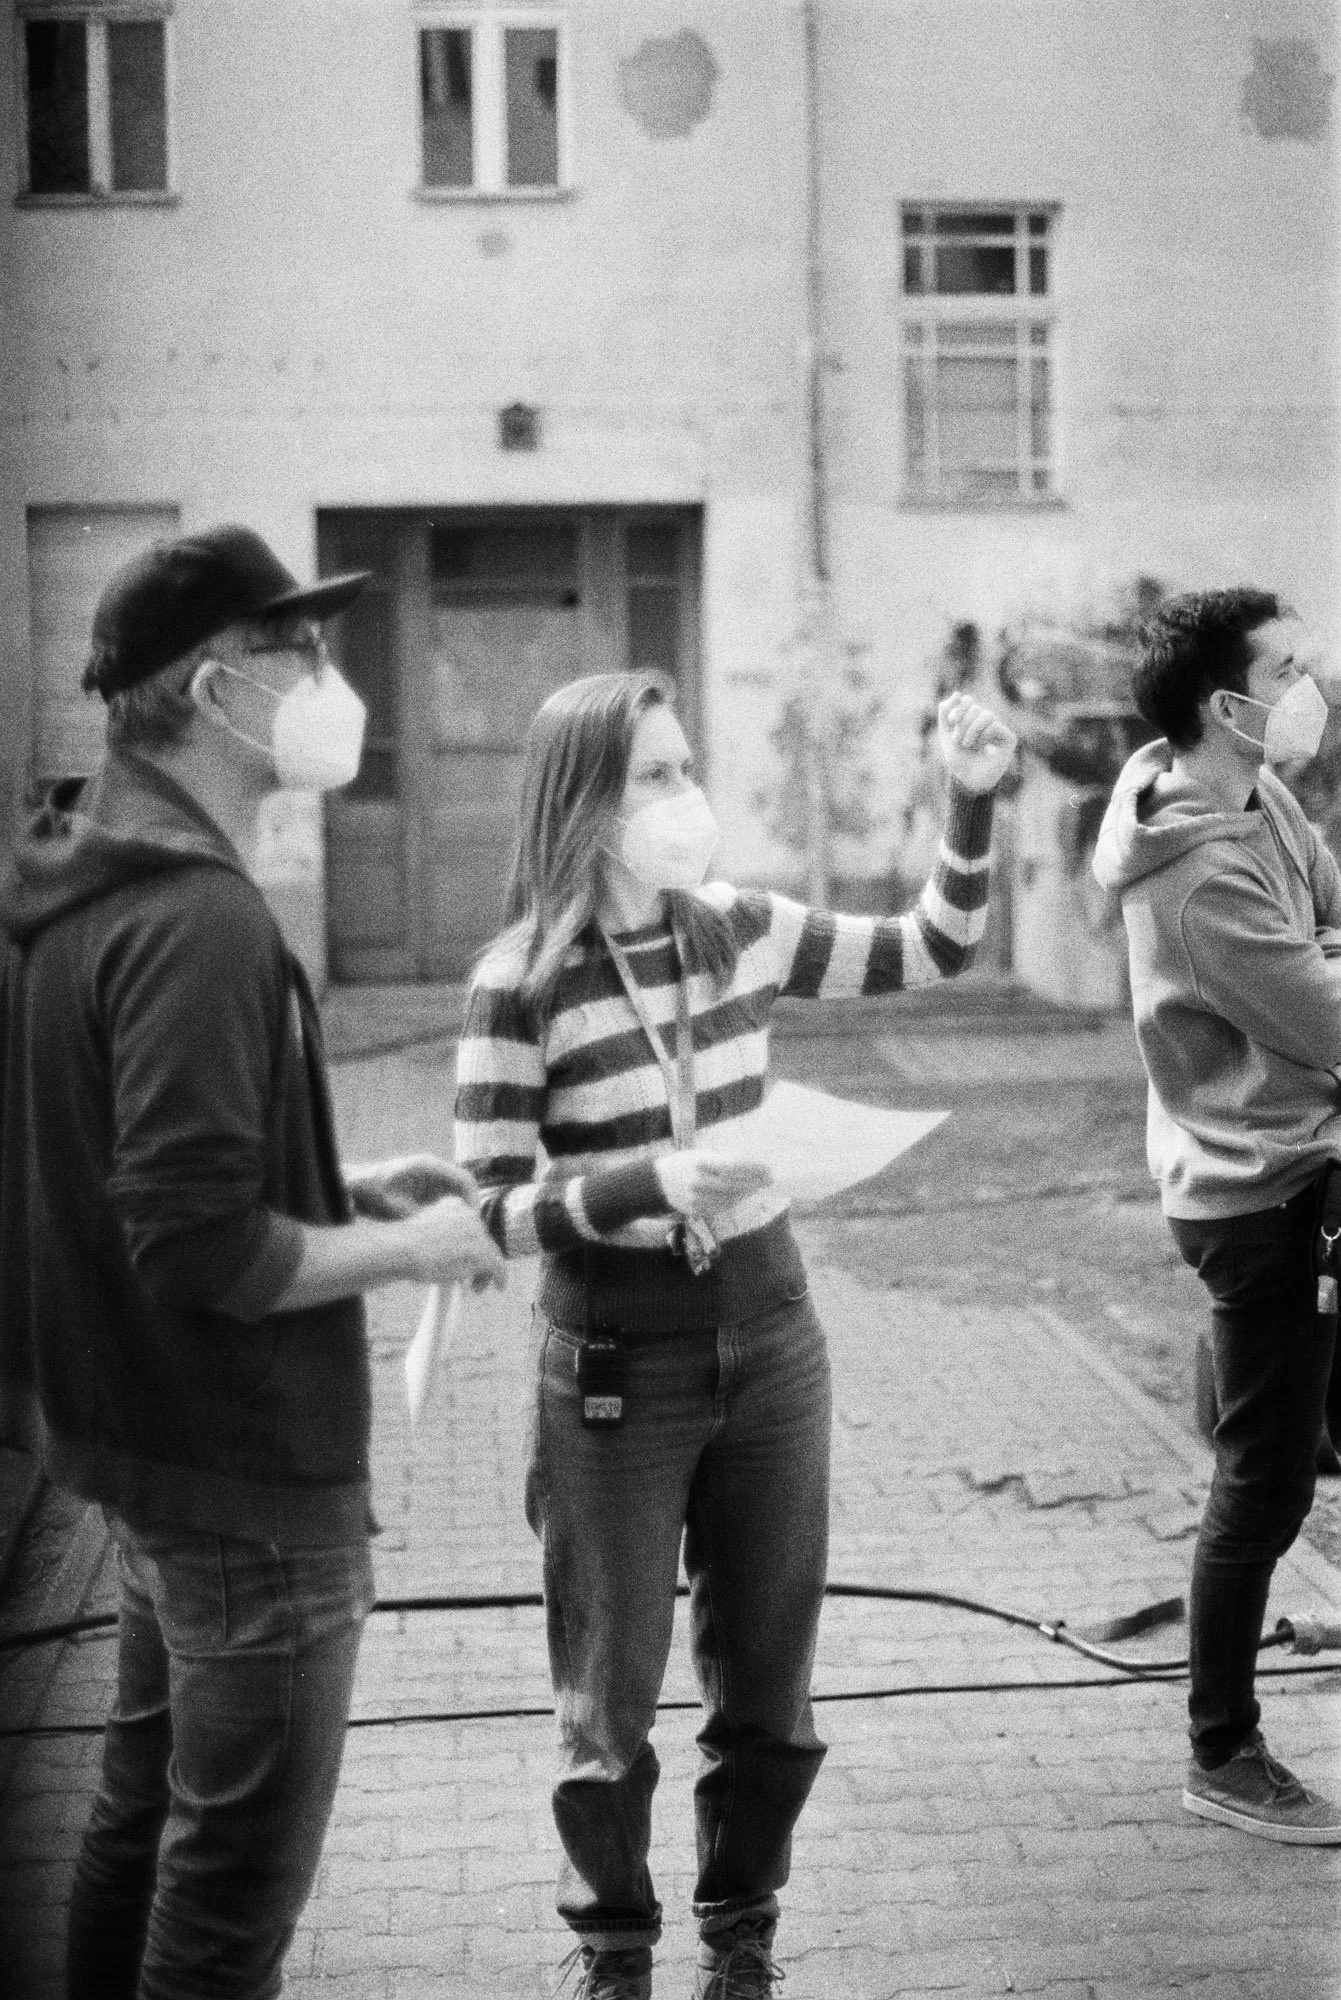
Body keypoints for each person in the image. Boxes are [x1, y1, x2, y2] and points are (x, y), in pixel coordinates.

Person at [453, 670, 1016, 1999]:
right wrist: (642, 1188)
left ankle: (741, 1934)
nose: (682, 798)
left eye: (684, 767)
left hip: (770, 1329)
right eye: (651, 776)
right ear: (580, 800)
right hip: (610, 1360)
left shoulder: (739, 930)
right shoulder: (517, 983)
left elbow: (932, 948)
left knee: (767, 1686)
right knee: (609, 1700)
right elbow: (491, 1211)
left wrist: (970, 805)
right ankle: (612, 1951)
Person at [0, 524, 505, 1999]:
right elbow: (197, 1243)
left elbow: (136, 1180)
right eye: (305, 650)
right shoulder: (202, 918)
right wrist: (406, 1244)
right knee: (220, 1920)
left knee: (136, 1828)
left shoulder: (77, 887)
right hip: (245, 1482)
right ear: (219, 691)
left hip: (149, 1465)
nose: (331, 676)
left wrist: (335, 1186)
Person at [1092, 586, 1341, 1845]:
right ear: (1221, 704)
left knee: (1295, 1431)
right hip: (1262, 1196)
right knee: (1265, 1477)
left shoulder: (1259, 795)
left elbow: (1335, 930)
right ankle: (1222, 1746)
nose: (1311, 685)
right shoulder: (1195, 876)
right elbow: (1331, 1018)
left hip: (1299, 1164)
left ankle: (1249, 1377)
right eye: (1287, 668)